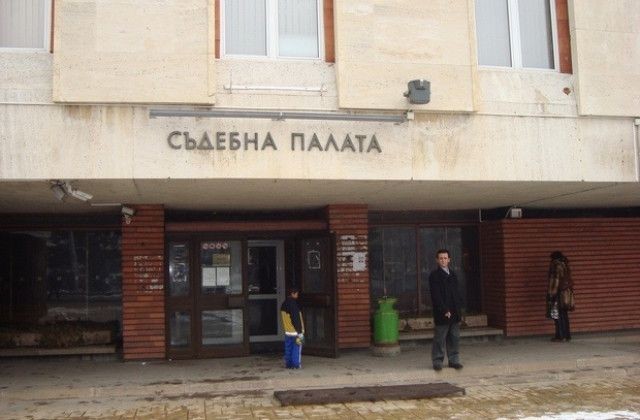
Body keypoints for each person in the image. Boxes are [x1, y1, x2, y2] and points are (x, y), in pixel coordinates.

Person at [428, 249, 464, 371]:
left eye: (445, 258)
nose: (443, 260)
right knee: (440, 337)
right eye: (441, 258)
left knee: (454, 337)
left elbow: (457, 292)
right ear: (437, 260)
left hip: (455, 311)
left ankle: (454, 360)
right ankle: (437, 361)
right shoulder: (434, 276)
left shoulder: (453, 274)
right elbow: (436, 295)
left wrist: (459, 308)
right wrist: (444, 309)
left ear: (449, 260)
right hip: (442, 311)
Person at [547, 251, 574, 342]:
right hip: (566, 293)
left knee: (557, 314)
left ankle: (560, 336)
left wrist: (551, 293)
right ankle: (567, 335)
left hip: (558, 293)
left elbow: (555, 281)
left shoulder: (555, 266)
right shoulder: (565, 264)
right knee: (564, 315)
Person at [280, 286, 305, 369]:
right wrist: (300, 332)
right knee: (296, 348)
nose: (297, 295)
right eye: (296, 294)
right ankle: (296, 365)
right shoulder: (293, 304)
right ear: (293, 294)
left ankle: (288, 364)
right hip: (295, 331)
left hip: (287, 331)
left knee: (288, 348)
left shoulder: (284, 303)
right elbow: (296, 319)